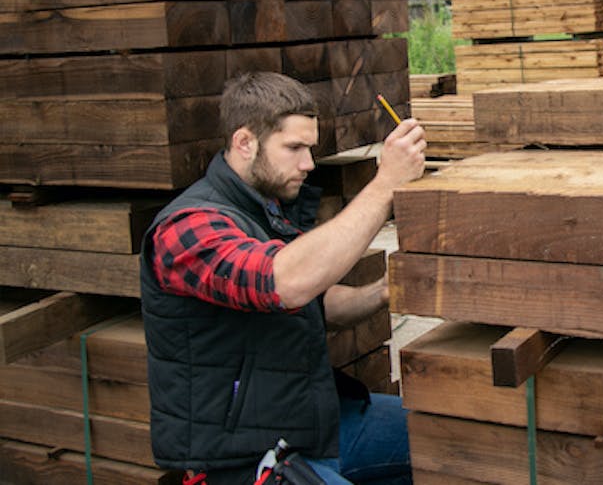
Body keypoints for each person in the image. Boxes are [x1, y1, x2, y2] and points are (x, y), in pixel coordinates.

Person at [139, 71, 426, 485]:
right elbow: (283, 283)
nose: (308, 163)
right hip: (241, 458)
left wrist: (385, 291)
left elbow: (313, 301)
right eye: (294, 148)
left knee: (451, 434)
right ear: (244, 142)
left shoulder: (264, 208)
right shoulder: (187, 228)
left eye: (310, 148)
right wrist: (386, 184)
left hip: (309, 423)